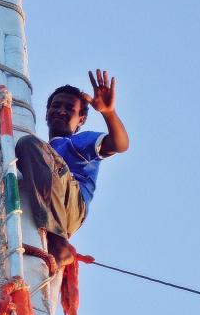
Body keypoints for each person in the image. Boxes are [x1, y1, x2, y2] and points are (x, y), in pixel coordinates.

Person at [15, 69, 129, 268]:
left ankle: (58, 244)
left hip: (71, 205)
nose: (61, 111)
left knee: (28, 144)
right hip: (48, 202)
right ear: (47, 112)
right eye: (56, 106)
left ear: (81, 120)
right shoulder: (41, 152)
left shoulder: (79, 142)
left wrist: (109, 113)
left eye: (70, 108)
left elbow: (120, 144)